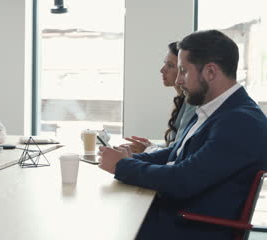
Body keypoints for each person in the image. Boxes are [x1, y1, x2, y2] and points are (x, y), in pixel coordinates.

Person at [98, 30, 267, 239]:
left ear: (211, 72)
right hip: (179, 216)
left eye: (183, 71)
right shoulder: (214, 109)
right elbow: (176, 154)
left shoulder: (242, 122)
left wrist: (122, 165)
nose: (178, 81)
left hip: (190, 227)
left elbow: (183, 180)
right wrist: (131, 158)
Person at [121, 42, 196, 153]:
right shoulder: (183, 99)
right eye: (165, 64)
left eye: (170, 65)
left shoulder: (193, 103)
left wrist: (148, 149)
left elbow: (177, 151)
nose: (162, 70)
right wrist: (150, 146)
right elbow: (172, 145)